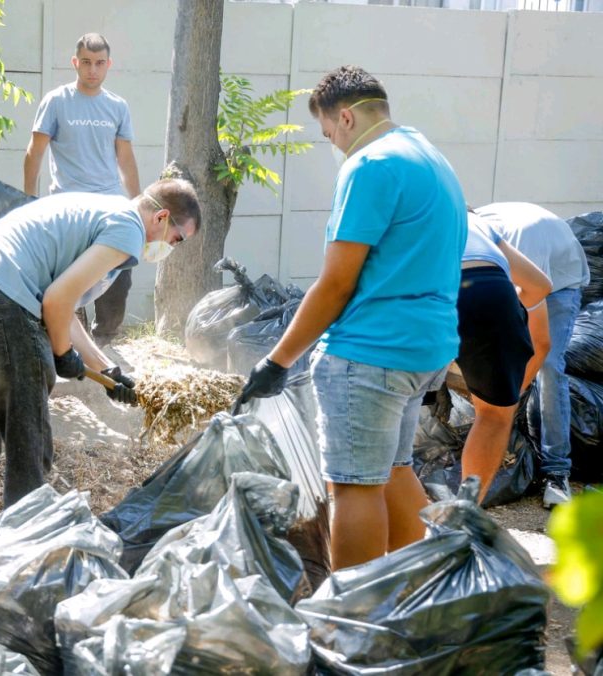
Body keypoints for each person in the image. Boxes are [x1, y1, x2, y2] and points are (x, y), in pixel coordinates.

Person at [238, 65, 467, 571]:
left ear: (345, 118)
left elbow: (337, 283)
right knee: (393, 470)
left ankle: (353, 612)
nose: (334, 146)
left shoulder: (370, 165)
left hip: (371, 352)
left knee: (353, 485)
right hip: (424, 349)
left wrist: (278, 361)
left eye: (328, 135)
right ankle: (415, 588)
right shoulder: (429, 156)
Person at [0, 178, 200, 533]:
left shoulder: (102, 211)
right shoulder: (128, 229)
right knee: (28, 444)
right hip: (1, 301)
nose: (172, 247)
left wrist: (107, 371)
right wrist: (62, 354)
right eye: (177, 238)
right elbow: (56, 301)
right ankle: (20, 549)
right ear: (162, 217)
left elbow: (64, 303)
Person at [23, 33, 141, 347]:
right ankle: (74, 344)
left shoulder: (117, 106)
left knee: (119, 274)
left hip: (110, 205)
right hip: (68, 207)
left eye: (99, 63)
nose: (92, 69)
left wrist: (136, 203)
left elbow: (125, 158)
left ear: (108, 64)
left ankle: (105, 339)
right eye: (86, 62)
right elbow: (34, 152)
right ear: (75, 62)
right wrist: (28, 199)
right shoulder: (56, 101)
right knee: (69, 278)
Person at [475, 202, 590, 507]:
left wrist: (506, 399)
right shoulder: (472, 231)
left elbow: (535, 323)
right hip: (528, 276)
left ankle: (556, 472)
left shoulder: (513, 244)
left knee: (548, 367)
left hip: (557, 285)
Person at [457, 211, 552, 503]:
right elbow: (540, 287)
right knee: (493, 416)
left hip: (416, 295)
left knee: (402, 407)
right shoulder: (478, 224)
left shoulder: (406, 209)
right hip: (487, 291)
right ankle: (463, 511)